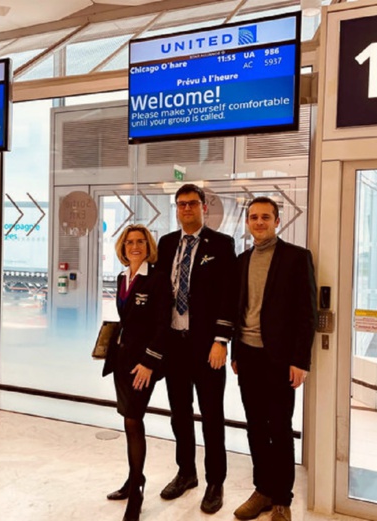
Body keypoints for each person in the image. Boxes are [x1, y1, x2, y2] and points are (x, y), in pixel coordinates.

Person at [231, 197, 317, 521]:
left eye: (265, 217)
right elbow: (238, 310)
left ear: (277, 220)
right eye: (253, 217)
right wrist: (236, 351)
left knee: (279, 428)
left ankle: (282, 498)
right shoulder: (242, 260)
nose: (259, 222)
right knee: (255, 427)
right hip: (248, 356)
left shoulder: (296, 258)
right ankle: (262, 490)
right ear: (248, 222)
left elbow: (307, 314)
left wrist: (301, 360)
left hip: (280, 359)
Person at [156, 184, 236, 514]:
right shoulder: (166, 243)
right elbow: (160, 291)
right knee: (179, 413)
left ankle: (215, 481)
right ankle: (186, 472)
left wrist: (221, 340)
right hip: (174, 343)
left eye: (192, 204)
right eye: (181, 204)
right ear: (176, 209)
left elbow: (229, 295)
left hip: (207, 347)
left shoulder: (221, 244)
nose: (186, 209)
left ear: (204, 207)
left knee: (212, 415)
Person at [103, 224, 172, 521]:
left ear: (148, 246)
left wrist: (149, 362)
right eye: (130, 242)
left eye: (140, 242)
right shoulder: (122, 277)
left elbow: (162, 327)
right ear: (122, 246)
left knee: (134, 420)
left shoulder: (156, 280)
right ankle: (133, 479)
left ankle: (137, 489)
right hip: (121, 359)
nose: (135, 246)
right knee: (128, 419)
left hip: (143, 364)